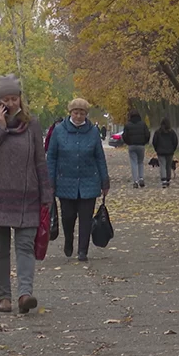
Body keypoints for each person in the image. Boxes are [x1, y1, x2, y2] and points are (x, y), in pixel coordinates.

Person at [0, 74, 52, 313]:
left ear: (21, 99)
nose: (11, 103)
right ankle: (3, 298)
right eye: (6, 99)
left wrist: (46, 193)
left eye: (14, 98)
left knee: (25, 247)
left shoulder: (32, 124)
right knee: (0, 250)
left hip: (27, 196)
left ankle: (25, 295)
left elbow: (40, 160)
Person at [46, 98, 110, 261]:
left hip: (89, 181)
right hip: (65, 181)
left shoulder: (93, 132)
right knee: (68, 217)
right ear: (70, 113)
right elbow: (51, 157)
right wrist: (50, 182)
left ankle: (83, 251)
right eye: (76, 112)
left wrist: (105, 181)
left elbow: (100, 157)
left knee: (86, 218)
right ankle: (68, 240)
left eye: (82, 113)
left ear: (86, 114)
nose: (79, 116)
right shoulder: (59, 131)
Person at [122, 109, 150, 188]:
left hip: (132, 146)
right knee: (140, 162)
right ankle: (141, 178)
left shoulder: (128, 125)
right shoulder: (143, 124)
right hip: (141, 145)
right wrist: (144, 142)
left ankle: (135, 181)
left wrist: (128, 142)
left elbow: (124, 136)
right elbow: (147, 134)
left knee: (133, 162)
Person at [152, 117, 179, 188]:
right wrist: (173, 149)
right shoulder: (172, 132)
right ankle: (168, 179)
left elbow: (154, 141)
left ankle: (163, 179)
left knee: (162, 165)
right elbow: (175, 141)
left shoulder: (158, 132)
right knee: (168, 165)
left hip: (160, 151)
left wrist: (156, 149)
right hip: (170, 151)